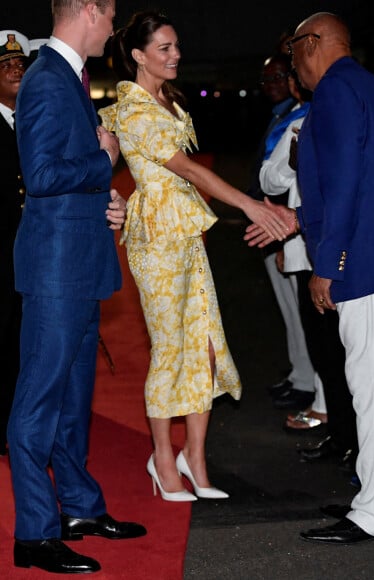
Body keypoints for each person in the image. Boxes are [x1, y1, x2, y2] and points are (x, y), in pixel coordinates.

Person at [246, 12, 374, 544]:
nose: (292, 69)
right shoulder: (373, 87)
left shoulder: (332, 92)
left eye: (292, 57)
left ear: (313, 45)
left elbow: (343, 187)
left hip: (367, 261)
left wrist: (327, 266)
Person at [98, 11, 289, 505]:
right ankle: (163, 460)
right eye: (164, 48)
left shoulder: (168, 100)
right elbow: (182, 167)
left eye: (176, 46)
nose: (176, 54)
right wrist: (247, 203)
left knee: (203, 344)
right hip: (156, 237)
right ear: (139, 56)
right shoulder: (133, 108)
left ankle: (195, 460)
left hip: (184, 232)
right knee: (169, 350)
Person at [8, 1, 146, 575]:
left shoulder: (66, 77)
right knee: (39, 401)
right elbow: (40, 176)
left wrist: (106, 197)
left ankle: (80, 509)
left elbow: (65, 175)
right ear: (89, 10)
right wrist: (103, 159)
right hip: (56, 270)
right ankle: (34, 534)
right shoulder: (45, 79)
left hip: (79, 264)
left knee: (71, 402)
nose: (114, 27)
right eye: (111, 13)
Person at [259, 70, 358, 467]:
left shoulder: (352, 127)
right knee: (324, 352)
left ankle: (356, 439)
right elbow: (269, 179)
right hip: (305, 254)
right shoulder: (301, 125)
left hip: (349, 258)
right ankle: (340, 435)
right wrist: (293, 165)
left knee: (349, 353)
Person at [249, 52, 316, 411]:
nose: (275, 85)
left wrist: (280, 238)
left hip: (289, 228)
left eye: (280, 77)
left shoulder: (303, 116)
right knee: (292, 312)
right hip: (277, 226)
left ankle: (311, 385)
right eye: (268, 80)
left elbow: (276, 182)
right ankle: (301, 374)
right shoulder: (284, 116)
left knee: (304, 313)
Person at [0, 29, 31, 456]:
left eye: (20, 63)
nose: (15, 69)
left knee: (21, 340)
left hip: (29, 251)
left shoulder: (30, 118)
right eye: (5, 65)